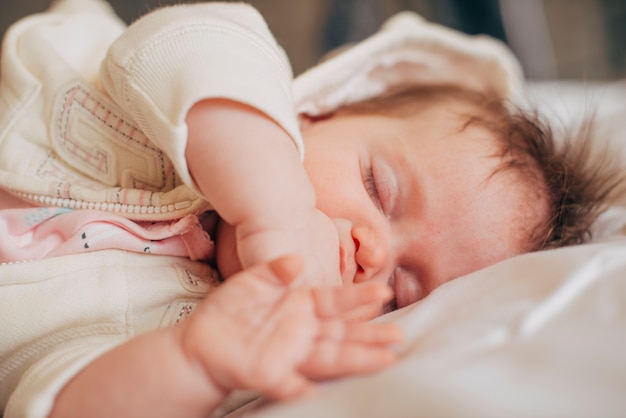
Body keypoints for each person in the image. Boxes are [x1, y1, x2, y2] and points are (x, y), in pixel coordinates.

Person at [0, 0, 619, 417]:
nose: (369, 252)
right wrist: (280, 211)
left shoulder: (209, 334)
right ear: (315, 112)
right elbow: (189, 44)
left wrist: (192, 361)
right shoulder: (221, 108)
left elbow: (52, 400)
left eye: (402, 291)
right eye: (378, 188)